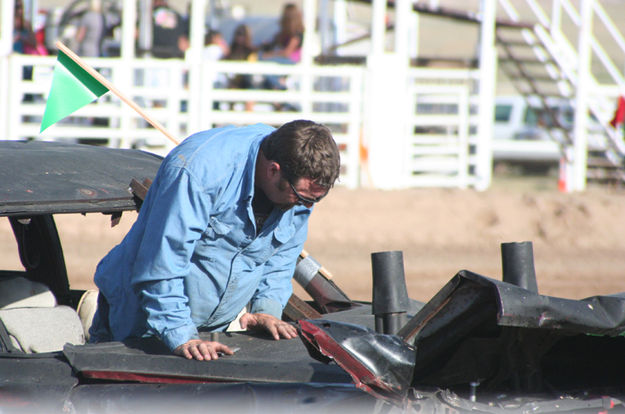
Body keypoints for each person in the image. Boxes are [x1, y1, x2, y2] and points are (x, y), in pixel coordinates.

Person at [89, 120, 341, 361]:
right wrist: (181, 336)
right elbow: (162, 263)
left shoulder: (297, 182)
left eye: (314, 201)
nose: (306, 207)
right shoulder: (200, 173)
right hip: (141, 322)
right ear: (273, 170)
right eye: (303, 198)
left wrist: (266, 307)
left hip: (213, 332)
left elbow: (282, 254)